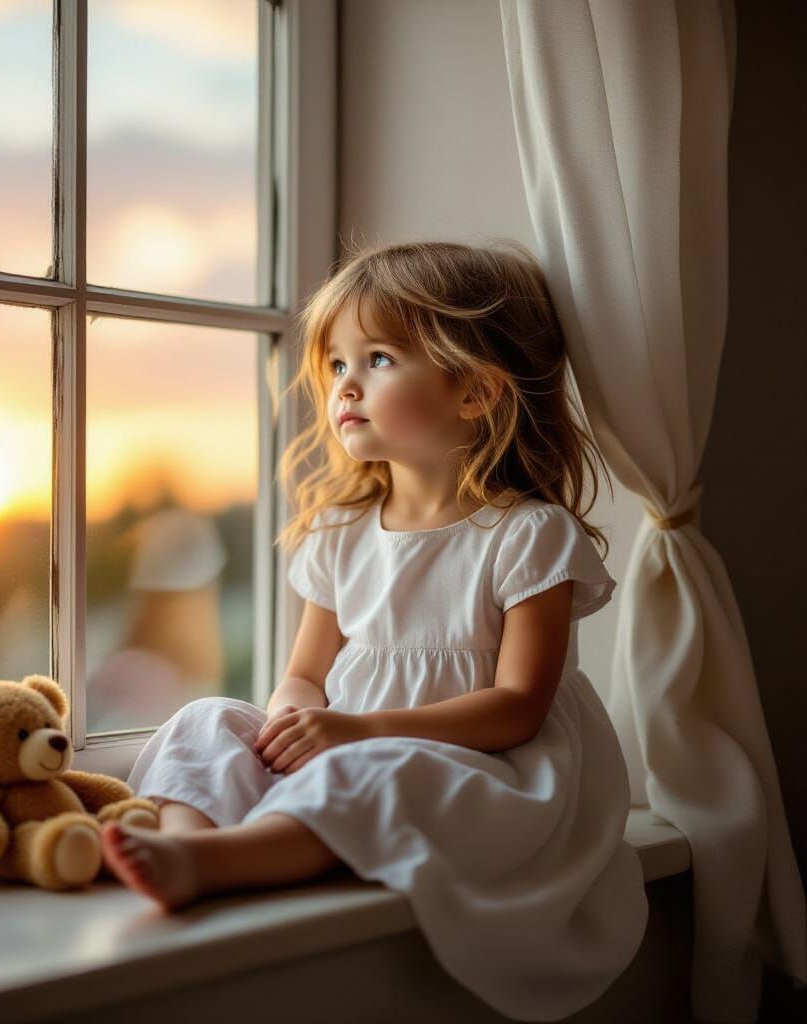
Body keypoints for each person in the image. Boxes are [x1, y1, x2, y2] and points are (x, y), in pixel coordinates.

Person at [100, 240, 649, 1022]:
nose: (345, 386)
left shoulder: (526, 535)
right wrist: (295, 713)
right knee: (206, 718)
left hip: (489, 770)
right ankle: (189, 840)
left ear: (477, 392)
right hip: (348, 740)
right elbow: (304, 674)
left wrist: (356, 730)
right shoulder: (340, 534)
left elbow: (518, 708)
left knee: (377, 771)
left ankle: (220, 860)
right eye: (335, 366)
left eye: (379, 359)